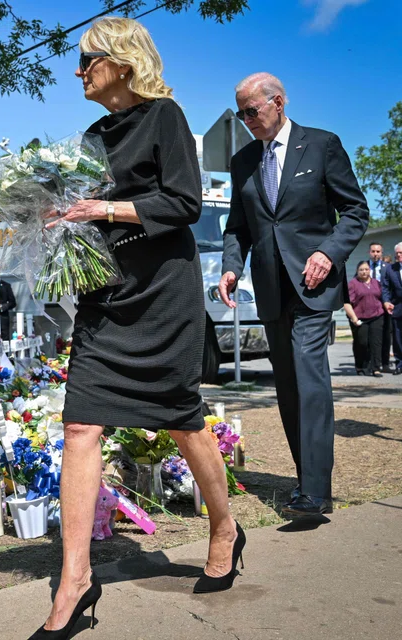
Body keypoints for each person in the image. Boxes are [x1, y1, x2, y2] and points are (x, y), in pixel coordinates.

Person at [31, 18, 242, 640]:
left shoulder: (165, 117)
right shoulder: (93, 136)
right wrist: (56, 216)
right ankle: (76, 578)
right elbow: (82, 206)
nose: (79, 71)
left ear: (121, 61)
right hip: (107, 295)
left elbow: (184, 204)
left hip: (163, 293)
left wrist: (107, 208)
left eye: (87, 59)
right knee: (80, 422)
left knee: (180, 417)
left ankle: (225, 526)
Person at [219, 72, 369, 519]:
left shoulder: (322, 144)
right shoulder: (243, 160)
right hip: (270, 289)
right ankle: (306, 479)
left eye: (253, 110)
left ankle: (315, 494)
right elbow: (237, 226)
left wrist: (329, 252)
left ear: (278, 102)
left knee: (309, 378)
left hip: (313, 285)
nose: (247, 120)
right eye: (241, 113)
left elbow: (356, 211)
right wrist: (231, 267)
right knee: (287, 388)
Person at [344, 261, 384, 376]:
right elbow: (347, 303)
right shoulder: (353, 284)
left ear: (369, 270)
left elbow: (382, 297)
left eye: (366, 269)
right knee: (361, 342)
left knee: (376, 343)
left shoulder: (376, 283)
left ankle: (376, 368)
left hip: (377, 315)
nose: (364, 271)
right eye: (361, 269)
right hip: (360, 318)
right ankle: (361, 366)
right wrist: (354, 318)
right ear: (357, 271)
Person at [381, 242, 402, 375]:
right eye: (397, 253)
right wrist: (386, 301)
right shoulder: (390, 269)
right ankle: (401, 363)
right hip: (397, 308)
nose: (398, 255)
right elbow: (385, 287)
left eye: (401, 252)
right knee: (399, 338)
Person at [368, 243, 393, 371]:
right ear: (369, 252)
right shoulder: (364, 266)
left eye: (378, 251)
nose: (375, 254)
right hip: (369, 305)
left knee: (386, 334)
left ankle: (385, 363)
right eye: (373, 251)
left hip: (385, 304)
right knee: (372, 335)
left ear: (381, 253)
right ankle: (372, 363)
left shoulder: (388, 267)